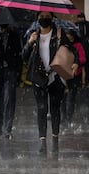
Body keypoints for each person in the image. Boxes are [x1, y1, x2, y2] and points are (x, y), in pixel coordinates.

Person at [23, 11, 79, 154]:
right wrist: (30, 43)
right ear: (37, 18)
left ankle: (55, 137)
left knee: (55, 108)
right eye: (41, 16)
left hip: (55, 77)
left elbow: (73, 50)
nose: (44, 19)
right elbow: (24, 56)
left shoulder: (59, 33)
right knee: (42, 109)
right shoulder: (34, 35)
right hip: (39, 78)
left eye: (47, 16)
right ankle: (42, 141)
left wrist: (76, 63)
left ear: (52, 18)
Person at [0, 25, 22, 140]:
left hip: (10, 71)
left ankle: (8, 129)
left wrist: (18, 73)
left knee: (9, 99)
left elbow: (19, 54)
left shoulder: (15, 35)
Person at [61, 29, 86, 128]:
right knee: (62, 98)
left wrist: (75, 61)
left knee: (71, 97)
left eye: (69, 35)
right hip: (64, 74)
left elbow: (83, 58)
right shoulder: (63, 46)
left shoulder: (78, 45)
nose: (68, 37)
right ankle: (64, 117)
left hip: (75, 74)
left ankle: (69, 117)